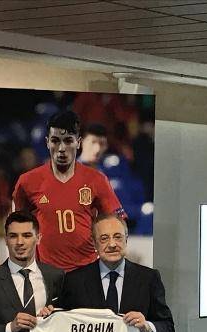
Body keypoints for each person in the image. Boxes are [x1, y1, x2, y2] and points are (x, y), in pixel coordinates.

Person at [13, 110, 125, 272]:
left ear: (78, 143)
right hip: (46, 274)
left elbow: (117, 222)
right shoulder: (27, 182)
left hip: (87, 273)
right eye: (55, 141)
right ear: (47, 142)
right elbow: (17, 227)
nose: (61, 148)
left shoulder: (97, 180)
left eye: (68, 141)